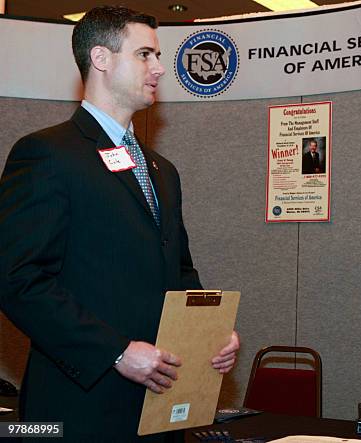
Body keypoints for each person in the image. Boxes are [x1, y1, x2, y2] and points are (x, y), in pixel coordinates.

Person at [0, 6, 239, 442]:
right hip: (80, 409)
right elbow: (17, 280)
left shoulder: (161, 169)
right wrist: (116, 353)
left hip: (160, 406)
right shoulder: (47, 154)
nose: (160, 68)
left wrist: (211, 334)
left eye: (158, 56)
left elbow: (180, 271)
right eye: (145, 54)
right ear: (101, 58)